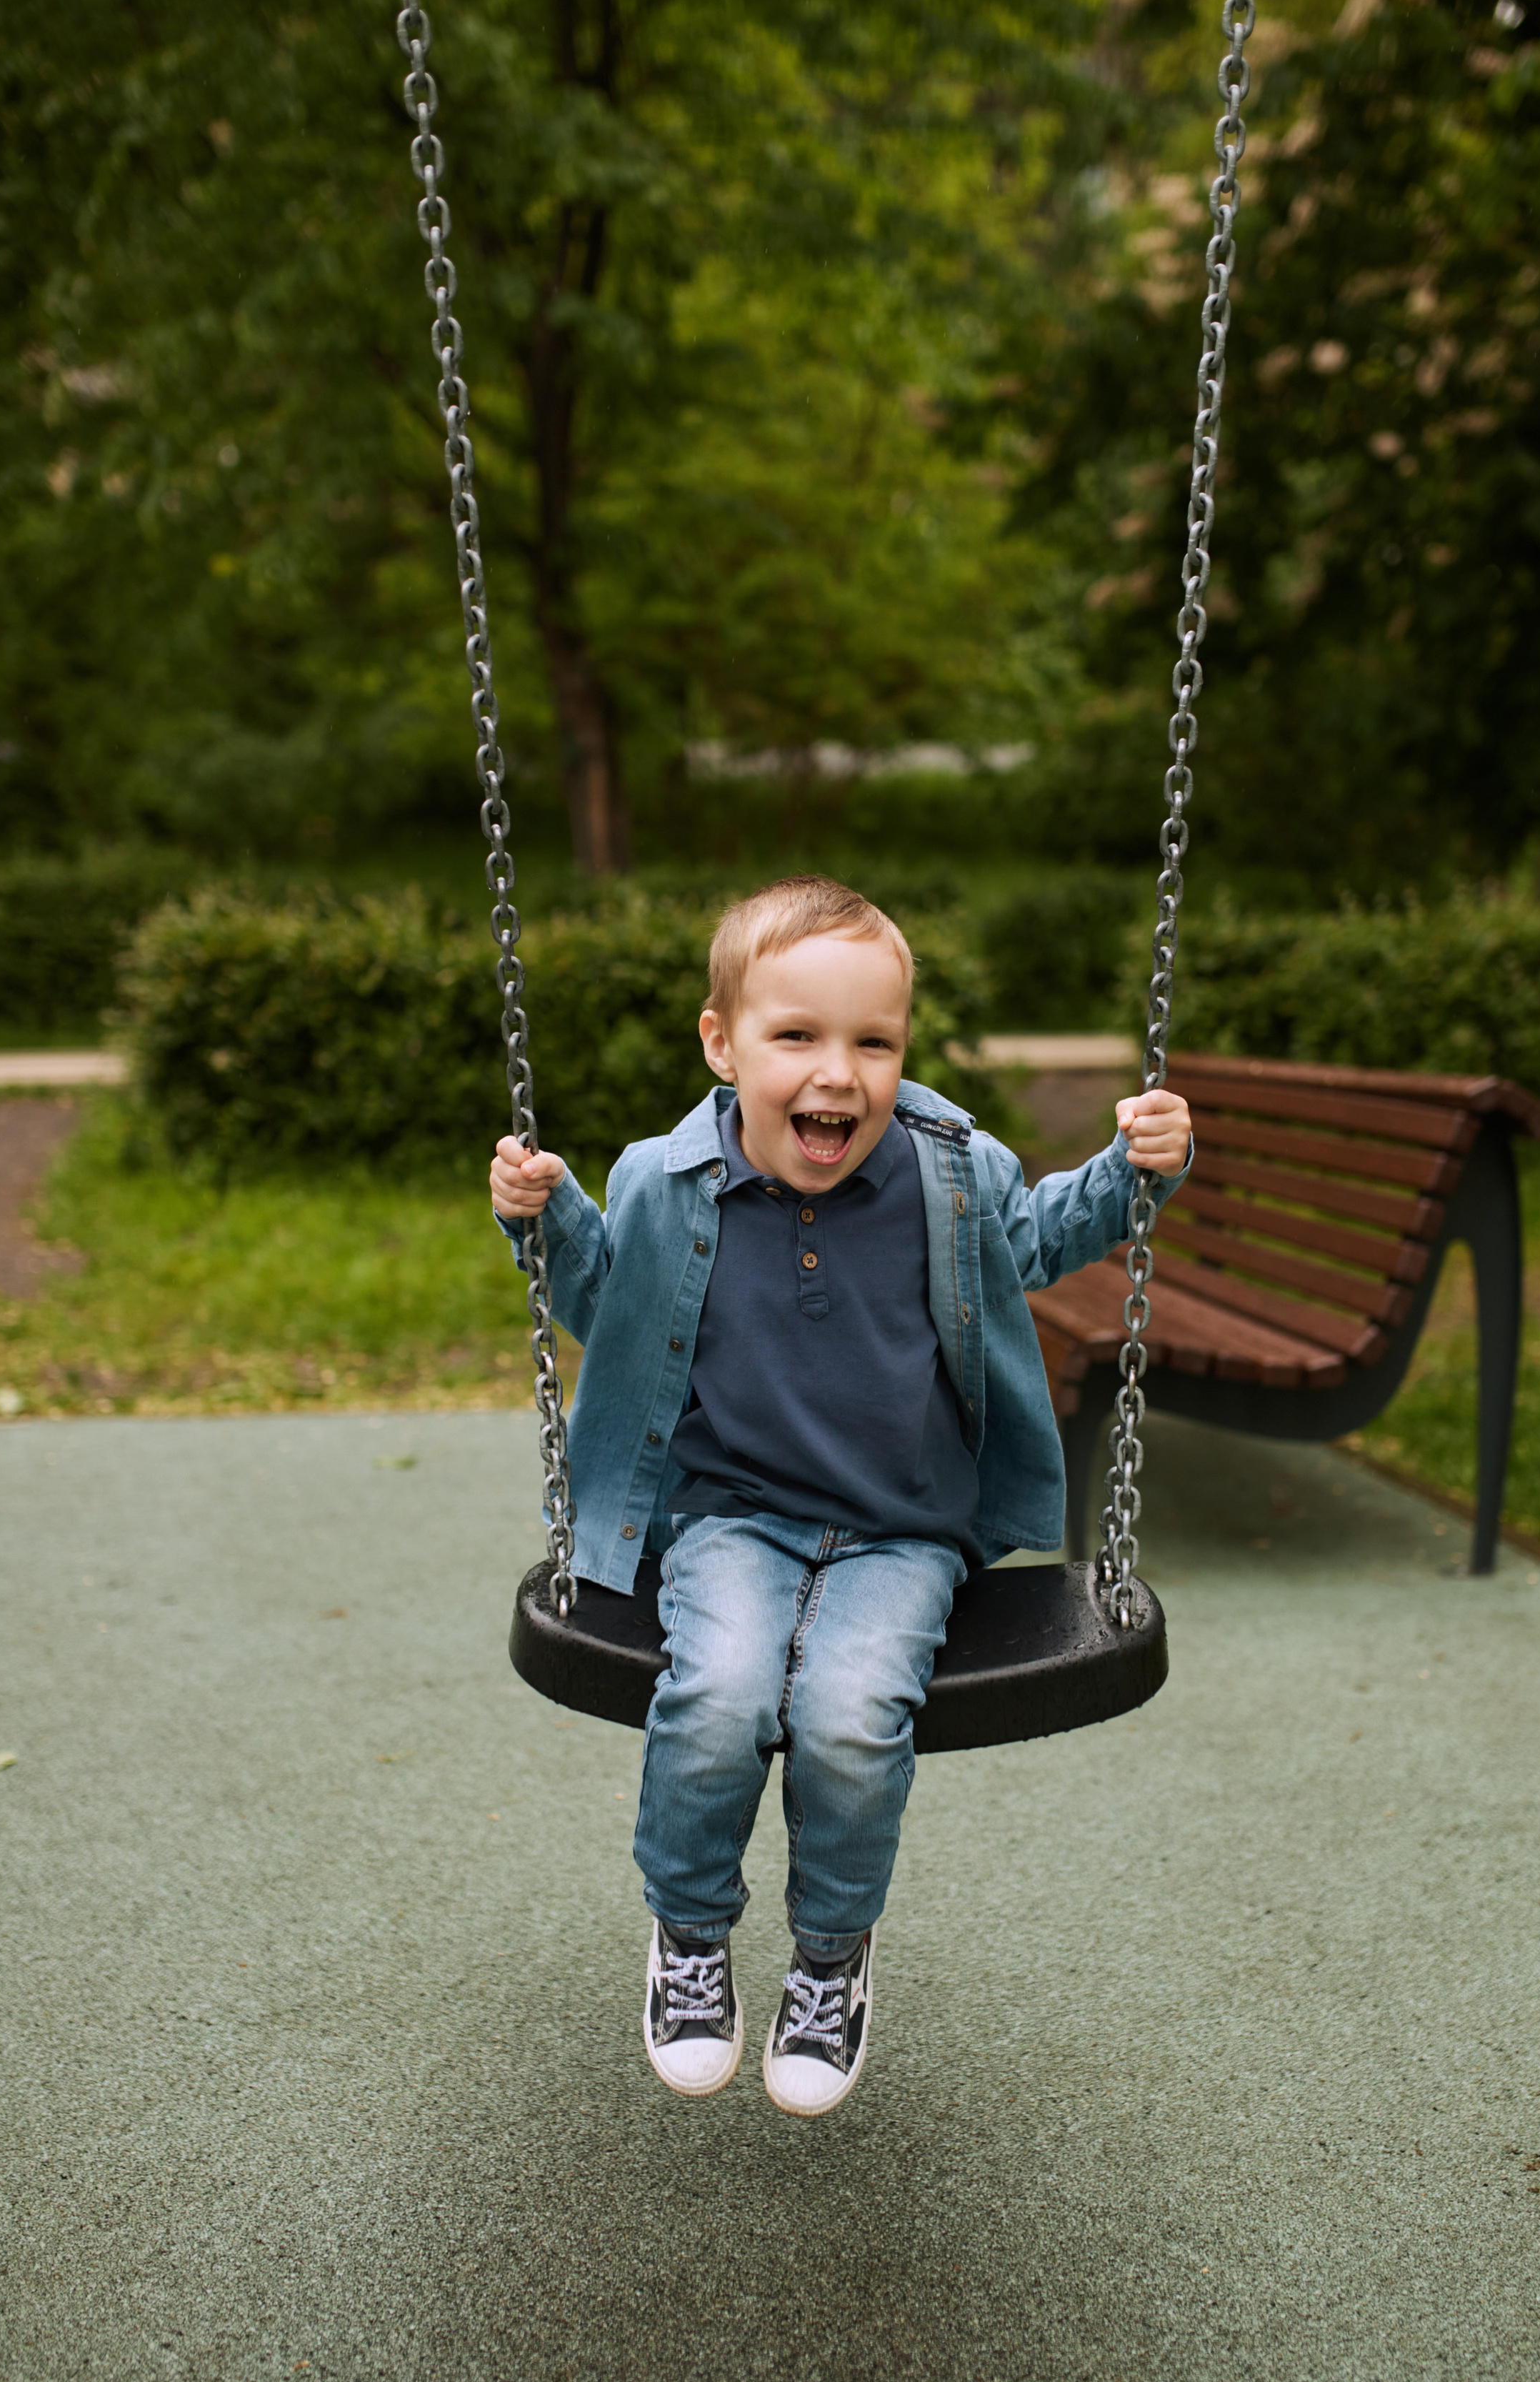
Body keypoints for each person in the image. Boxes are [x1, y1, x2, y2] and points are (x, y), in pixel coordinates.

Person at [489, 875, 1191, 2118]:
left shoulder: (949, 1172)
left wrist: (1132, 1177)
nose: (841, 1075)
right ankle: (691, 1938)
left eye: (875, 1042)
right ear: (723, 1043)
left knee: (853, 1716)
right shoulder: (667, 1180)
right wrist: (544, 1221)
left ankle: (830, 1958)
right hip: (730, 1518)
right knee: (718, 1697)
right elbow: (610, 1302)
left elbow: (1033, 1241)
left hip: (903, 1532)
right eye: (798, 1037)